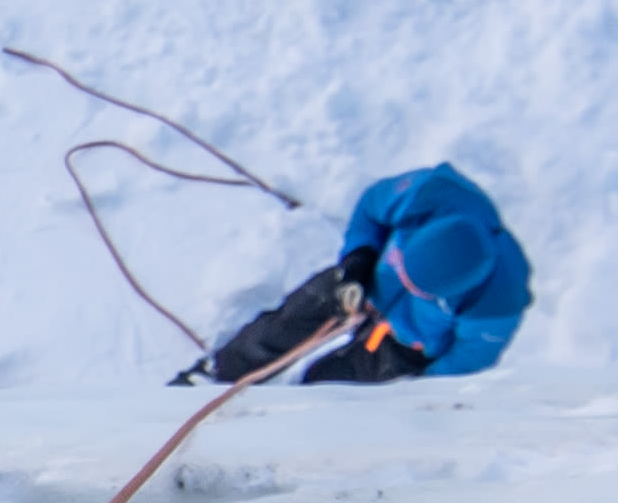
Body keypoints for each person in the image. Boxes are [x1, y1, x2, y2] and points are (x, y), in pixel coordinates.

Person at [182, 163, 532, 384]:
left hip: (404, 344)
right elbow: (371, 208)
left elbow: (466, 361)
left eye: (420, 288)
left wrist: (424, 385)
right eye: (405, 269)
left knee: (335, 394)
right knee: (288, 322)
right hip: (361, 284)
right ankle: (219, 373)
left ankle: (285, 419)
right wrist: (359, 259)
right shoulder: (430, 194)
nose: (408, 285)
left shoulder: (499, 302)